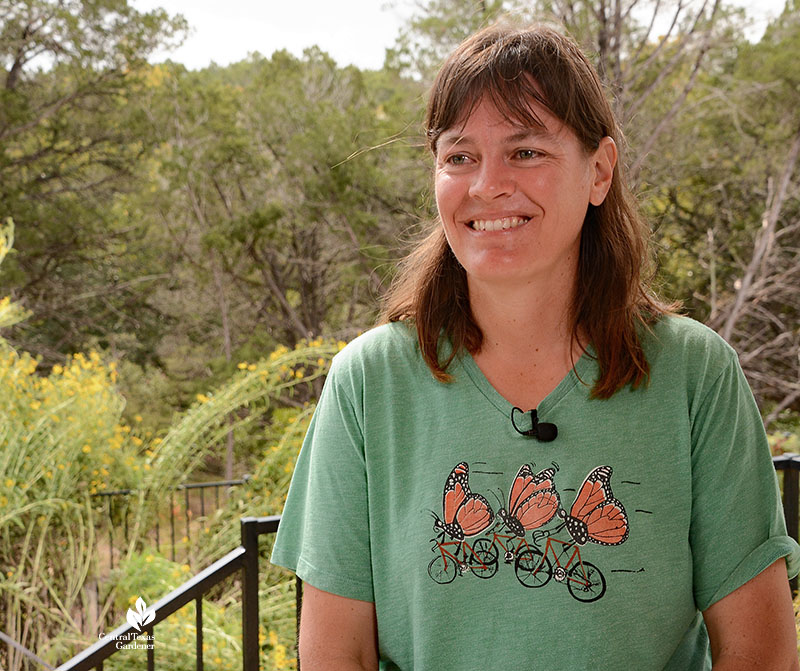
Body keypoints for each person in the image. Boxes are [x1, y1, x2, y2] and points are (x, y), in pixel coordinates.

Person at [271, 22, 800, 670]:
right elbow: (333, 654)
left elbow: (761, 650)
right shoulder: (367, 383)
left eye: (524, 151)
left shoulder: (696, 376)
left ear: (599, 170)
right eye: (459, 155)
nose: (488, 183)